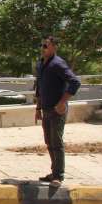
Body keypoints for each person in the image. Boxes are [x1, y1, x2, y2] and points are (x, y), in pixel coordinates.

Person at [35, 36, 81, 187]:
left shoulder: (58, 64)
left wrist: (62, 102)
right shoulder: (41, 64)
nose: (43, 48)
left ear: (54, 47)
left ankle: (58, 176)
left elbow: (75, 82)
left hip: (57, 110)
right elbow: (40, 88)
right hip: (46, 109)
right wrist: (38, 108)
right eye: (42, 46)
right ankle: (54, 171)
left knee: (57, 142)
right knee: (49, 142)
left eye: (46, 46)